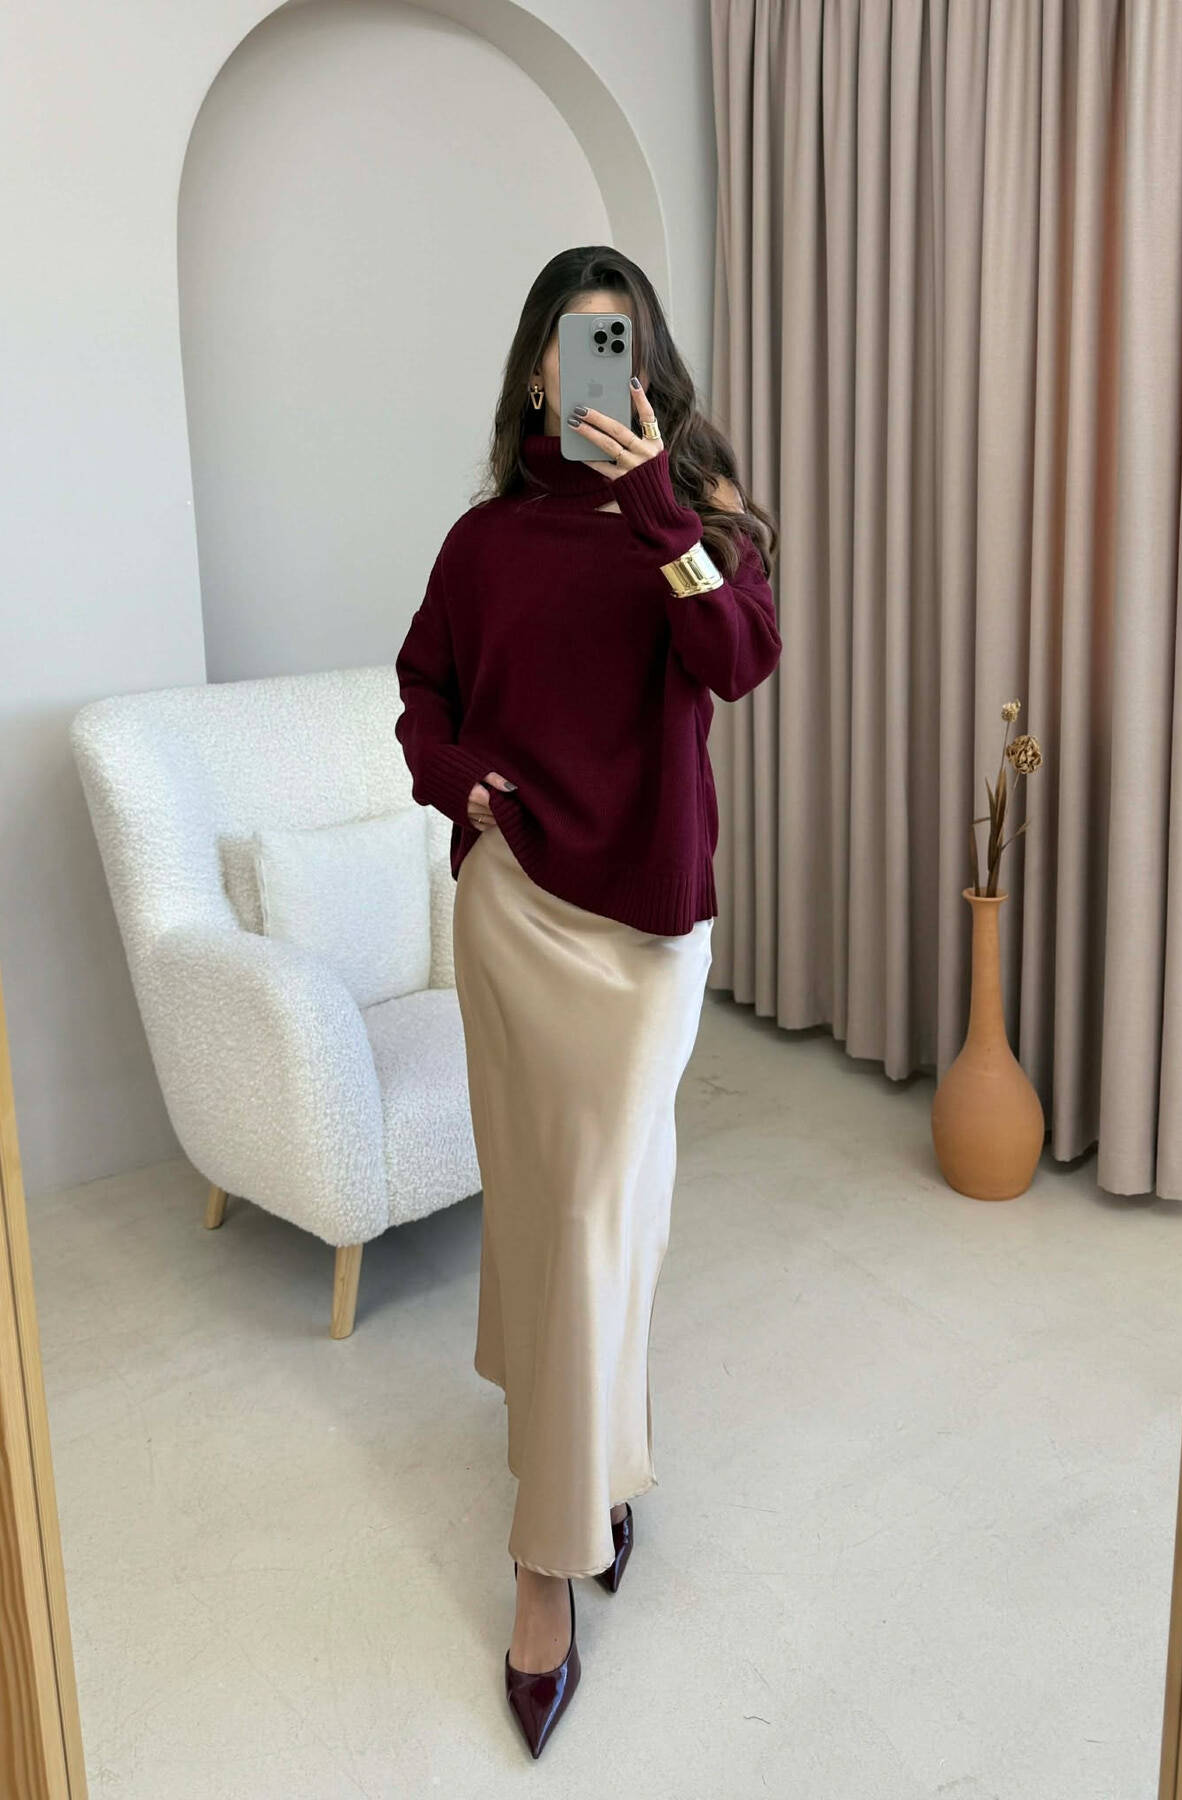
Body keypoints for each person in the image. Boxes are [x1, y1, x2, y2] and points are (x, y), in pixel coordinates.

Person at [394, 246, 781, 1758]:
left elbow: (736, 661)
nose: (594, 363)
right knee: (562, 1213)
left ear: (646, 366)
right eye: (572, 339)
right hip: (514, 914)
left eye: (620, 340)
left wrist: (660, 511)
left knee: (595, 1215)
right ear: (537, 371)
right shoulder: (482, 540)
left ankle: (546, 1549)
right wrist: (461, 784)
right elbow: (422, 692)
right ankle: (583, 1495)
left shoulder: (695, 522)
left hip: (645, 939)